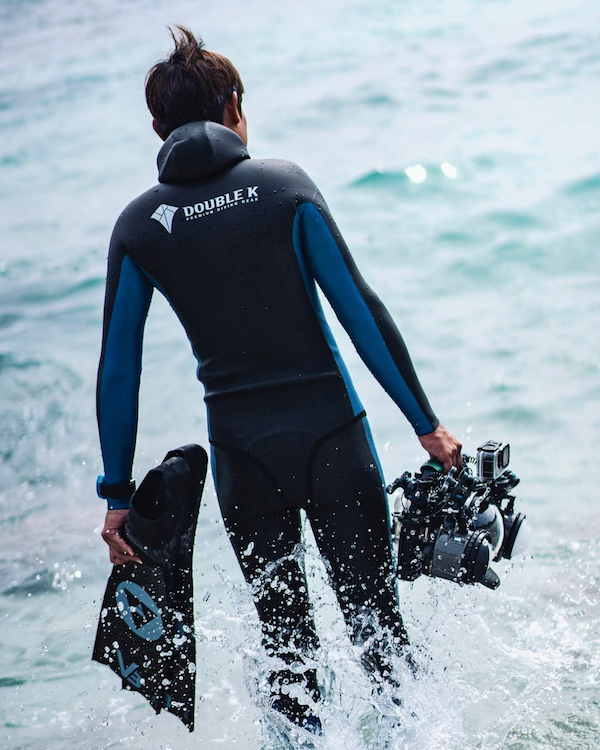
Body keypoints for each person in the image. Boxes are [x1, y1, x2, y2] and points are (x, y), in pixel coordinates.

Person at [96, 26, 462, 732]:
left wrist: (116, 497)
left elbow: (119, 369)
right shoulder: (285, 188)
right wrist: (426, 424)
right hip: (334, 445)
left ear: (156, 128)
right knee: (380, 642)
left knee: (288, 659)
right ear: (235, 107)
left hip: (243, 465)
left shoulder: (138, 228)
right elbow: (361, 314)